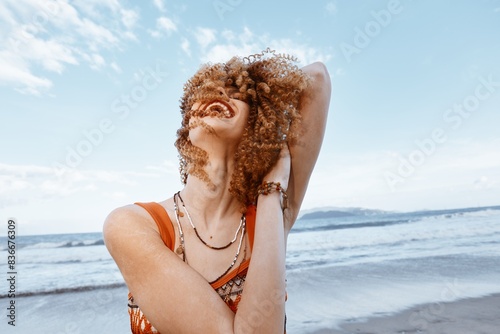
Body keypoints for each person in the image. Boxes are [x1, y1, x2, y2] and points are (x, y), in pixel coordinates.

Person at [103, 49, 331, 334]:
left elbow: (316, 78)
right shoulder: (131, 224)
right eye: (204, 93)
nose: (215, 94)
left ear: (256, 124)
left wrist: (271, 191)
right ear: (187, 127)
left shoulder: (271, 216)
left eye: (235, 92)